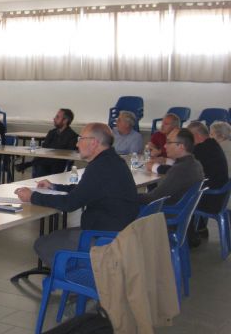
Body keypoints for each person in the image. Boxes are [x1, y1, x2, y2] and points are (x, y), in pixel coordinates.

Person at [16, 123, 138, 267]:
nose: (77, 143)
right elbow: (86, 190)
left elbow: (70, 203)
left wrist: (32, 197)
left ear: (93, 143)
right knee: (57, 236)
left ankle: (81, 278)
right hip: (118, 232)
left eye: (81, 139)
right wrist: (54, 186)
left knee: (42, 243)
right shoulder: (114, 161)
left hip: (102, 236)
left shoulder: (99, 167)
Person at [139, 128, 204, 206]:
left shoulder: (180, 169)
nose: (165, 146)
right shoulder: (195, 163)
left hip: (166, 211)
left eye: (169, 142)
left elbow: (154, 197)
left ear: (181, 146)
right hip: (181, 209)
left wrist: (129, 197)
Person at [186, 121, 228, 244]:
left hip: (210, 198)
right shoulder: (212, 145)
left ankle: (188, 239)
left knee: (178, 198)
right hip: (219, 196)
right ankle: (195, 232)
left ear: (197, 136)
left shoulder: (201, 150)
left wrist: (157, 167)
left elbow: (184, 168)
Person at [30, 108, 78, 178]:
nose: (54, 119)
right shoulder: (52, 133)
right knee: (39, 163)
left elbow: (68, 155)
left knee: (40, 165)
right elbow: (44, 149)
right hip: (46, 162)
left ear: (65, 120)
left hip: (59, 165)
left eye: (57, 117)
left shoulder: (72, 136)